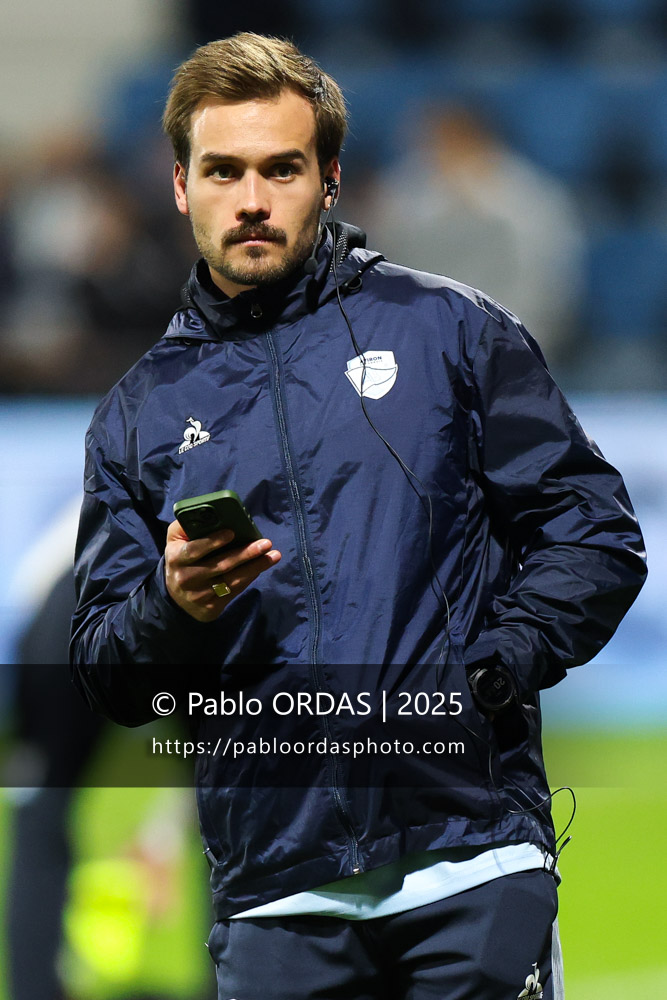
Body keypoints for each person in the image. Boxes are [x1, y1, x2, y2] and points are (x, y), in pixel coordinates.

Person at [70, 33, 647, 1000]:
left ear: (329, 180)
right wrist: (172, 609)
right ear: (179, 185)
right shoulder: (139, 412)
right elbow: (105, 670)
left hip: (470, 860)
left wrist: (493, 672)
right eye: (222, 170)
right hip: (276, 897)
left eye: (281, 168)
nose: (251, 199)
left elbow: (591, 531)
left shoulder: (451, 331)